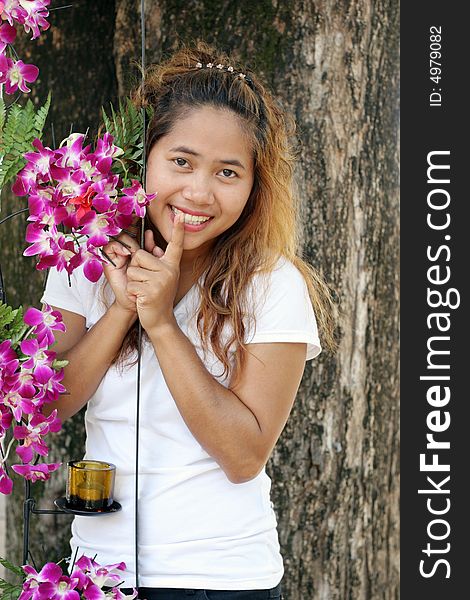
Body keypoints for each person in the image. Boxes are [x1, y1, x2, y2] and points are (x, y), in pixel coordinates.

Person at [41, 41, 337, 600]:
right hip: (96, 575)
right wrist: (123, 308)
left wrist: (161, 323)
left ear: (254, 187)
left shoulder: (273, 285)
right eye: (180, 162)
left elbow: (244, 455)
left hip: (219, 580)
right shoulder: (83, 258)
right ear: (143, 158)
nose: (198, 192)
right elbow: (47, 404)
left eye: (228, 172)